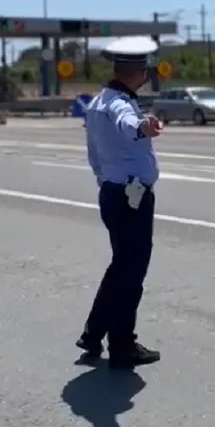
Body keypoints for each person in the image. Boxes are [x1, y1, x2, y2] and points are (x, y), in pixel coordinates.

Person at [76, 36, 163, 369]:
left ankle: (93, 332)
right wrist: (145, 126)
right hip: (131, 199)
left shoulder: (98, 102)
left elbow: (94, 154)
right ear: (140, 73)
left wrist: (106, 182)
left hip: (113, 193)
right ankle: (123, 346)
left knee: (120, 268)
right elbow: (130, 126)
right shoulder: (121, 105)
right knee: (131, 273)